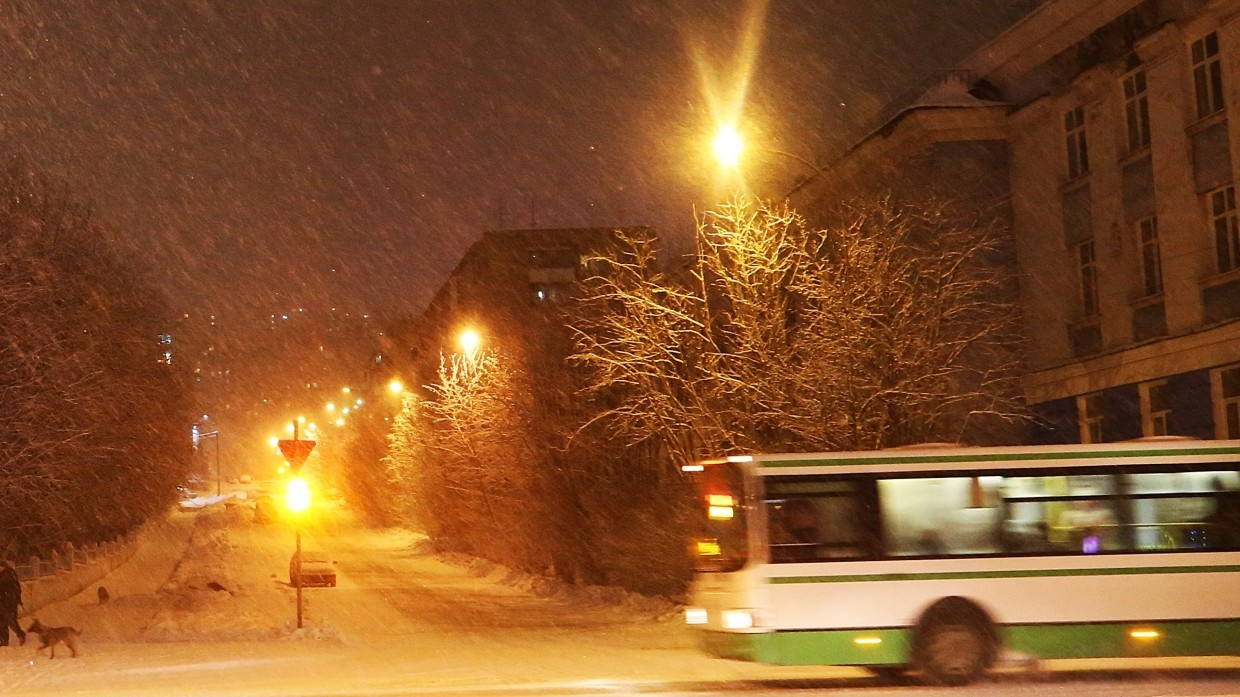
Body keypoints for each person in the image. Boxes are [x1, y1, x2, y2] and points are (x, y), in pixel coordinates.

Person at [0, 560, 26, 647]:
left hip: (9, 601)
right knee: (3, 621)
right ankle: (4, 641)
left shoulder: (7, 575)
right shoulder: (9, 574)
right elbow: (17, 587)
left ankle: (20, 634)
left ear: (3, 566)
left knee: (10, 621)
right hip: (5, 601)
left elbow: (12, 587)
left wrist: (17, 599)